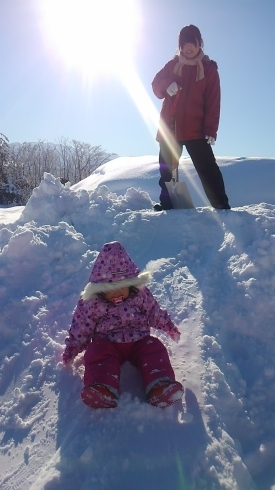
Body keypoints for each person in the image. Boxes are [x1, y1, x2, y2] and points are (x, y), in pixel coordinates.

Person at [62, 241, 183, 409]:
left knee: (154, 347)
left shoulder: (140, 295)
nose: (116, 293)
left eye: (121, 287)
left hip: (139, 340)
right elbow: (81, 327)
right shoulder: (92, 303)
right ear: (100, 288)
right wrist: (72, 348)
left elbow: (154, 311)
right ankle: (102, 387)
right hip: (108, 343)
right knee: (96, 351)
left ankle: (160, 385)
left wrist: (168, 326)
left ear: (131, 283)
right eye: (110, 289)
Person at [152, 24, 230, 211]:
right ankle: (168, 203)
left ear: (199, 43)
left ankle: (220, 204)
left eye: (192, 43)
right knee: (166, 170)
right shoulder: (172, 66)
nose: (188, 48)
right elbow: (156, 85)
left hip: (196, 130)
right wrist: (166, 84)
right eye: (184, 44)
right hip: (170, 128)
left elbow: (213, 101)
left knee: (208, 169)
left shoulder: (209, 70)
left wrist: (211, 129)